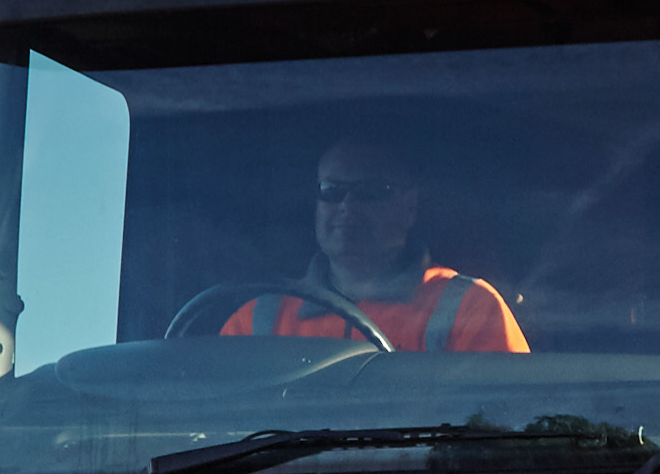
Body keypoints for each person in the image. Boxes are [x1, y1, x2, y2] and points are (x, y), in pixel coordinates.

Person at [221, 136, 528, 352]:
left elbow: (508, 426)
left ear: (410, 208)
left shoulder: (471, 308)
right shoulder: (257, 320)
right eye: (331, 190)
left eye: (371, 191)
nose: (348, 205)